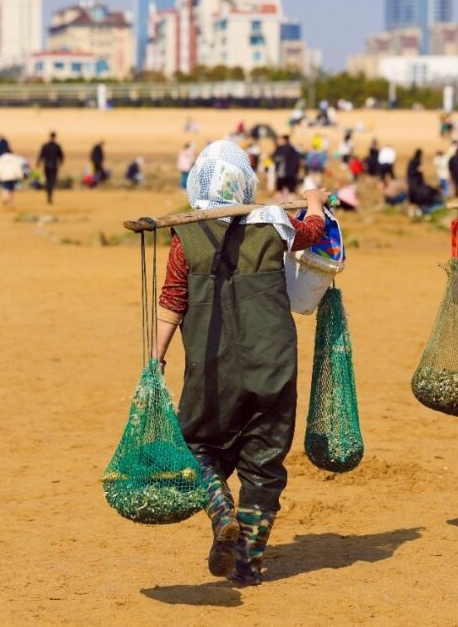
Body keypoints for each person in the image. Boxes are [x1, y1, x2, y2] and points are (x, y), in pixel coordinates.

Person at [153, 141, 327, 586]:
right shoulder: (274, 224)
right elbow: (313, 232)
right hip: (273, 366)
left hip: (212, 373)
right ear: (245, 184)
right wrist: (313, 201)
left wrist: (156, 358)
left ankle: (220, 511)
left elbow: (173, 299)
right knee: (263, 463)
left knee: (198, 447)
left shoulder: (185, 236)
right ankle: (247, 562)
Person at [271, 135, 302, 202]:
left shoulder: (280, 149)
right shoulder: (294, 150)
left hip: (282, 174)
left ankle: (280, 207)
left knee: (279, 190)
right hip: (293, 174)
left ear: (284, 140)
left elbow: (275, 159)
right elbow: (298, 162)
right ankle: (291, 208)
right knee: (291, 191)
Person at [37, 132, 64, 204]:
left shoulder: (45, 146)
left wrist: (38, 163)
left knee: (48, 182)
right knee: (52, 182)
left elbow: (41, 155)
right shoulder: (57, 146)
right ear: (55, 137)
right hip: (54, 166)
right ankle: (50, 196)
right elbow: (61, 156)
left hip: (47, 166)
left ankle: (49, 196)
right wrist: (61, 163)